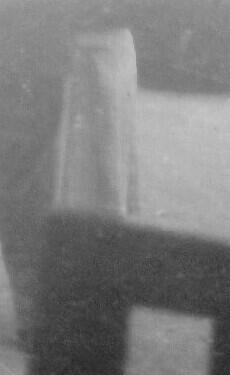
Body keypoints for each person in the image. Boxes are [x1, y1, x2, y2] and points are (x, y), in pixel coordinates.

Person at [1, 5, 138, 350]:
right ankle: (37, 310)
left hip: (31, 48)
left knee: (25, 175)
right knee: (24, 177)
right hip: (28, 47)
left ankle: (38, 308)